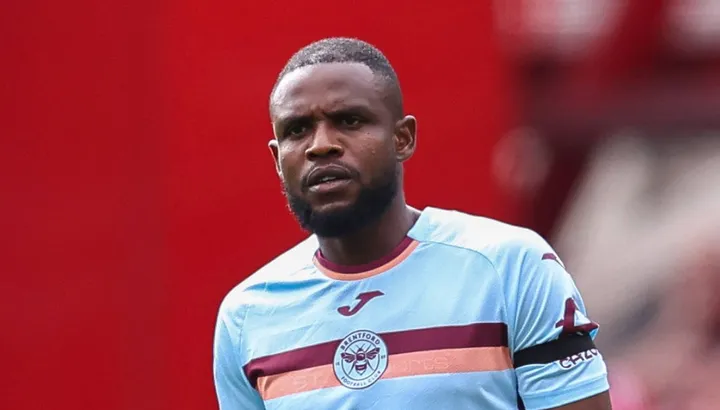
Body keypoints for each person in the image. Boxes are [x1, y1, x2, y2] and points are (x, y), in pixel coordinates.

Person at [213, 37, 611, 410]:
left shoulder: (510, 267)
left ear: (402, 138)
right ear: (277, 159)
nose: (320, 145)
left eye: (349, 120)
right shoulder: (247, 315)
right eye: (296, 130)